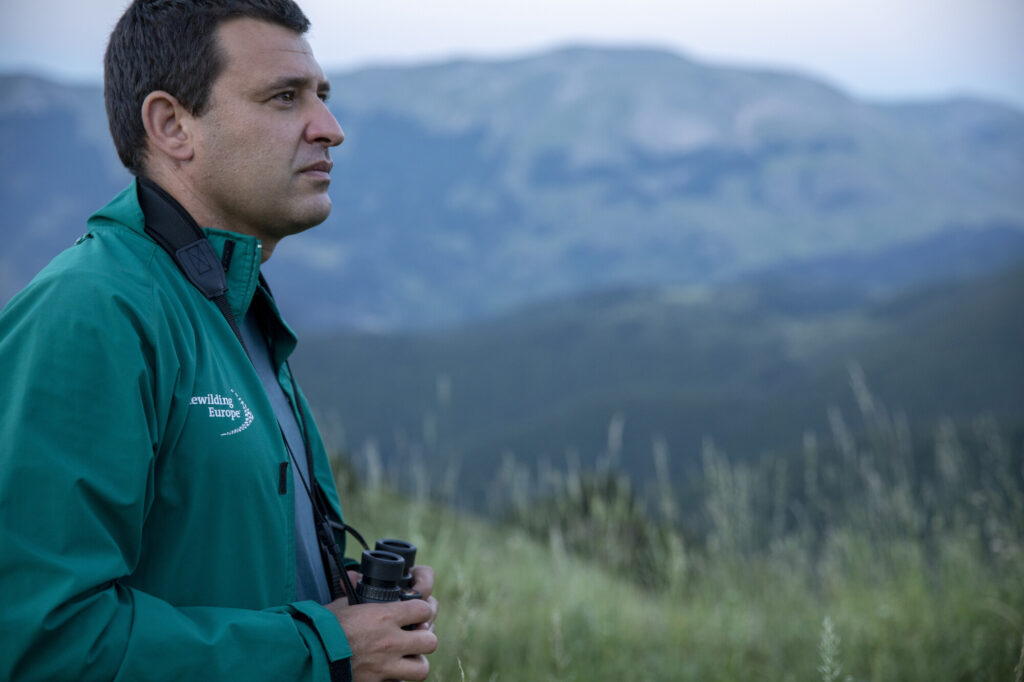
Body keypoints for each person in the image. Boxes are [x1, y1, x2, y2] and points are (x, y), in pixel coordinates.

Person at [0, 1, 438, 680]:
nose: (331, 129)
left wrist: (351, 612)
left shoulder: (233, 308)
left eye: (321, 96)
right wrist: (318, 649)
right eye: (284, 98)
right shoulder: (92, 313)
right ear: (173, 126)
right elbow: (43, 644)